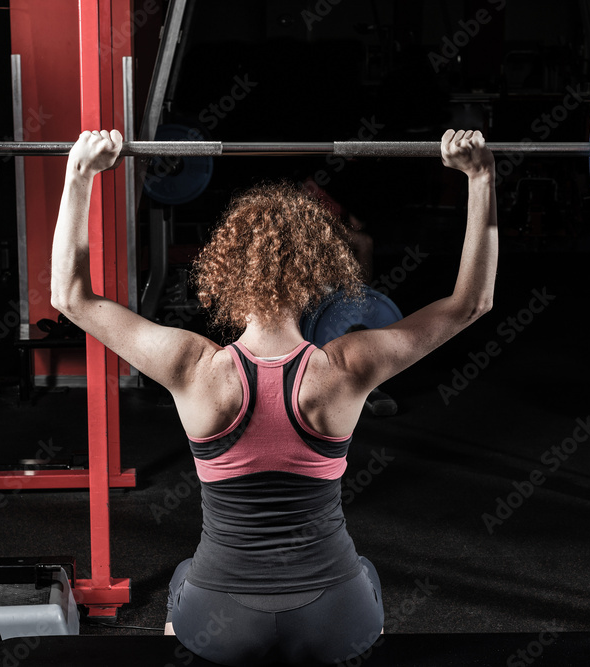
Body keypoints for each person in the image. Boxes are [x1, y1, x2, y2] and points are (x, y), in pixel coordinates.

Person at [51, 129, 498, 666]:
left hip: (223, 626)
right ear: (319, 276)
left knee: (183, 577)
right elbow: (471, 303)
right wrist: (481, 177)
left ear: (225, 274)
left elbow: (70, 297)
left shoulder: (192, 366)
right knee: (367, 574)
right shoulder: (347, 367)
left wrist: (80, 175)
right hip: (334, 624)